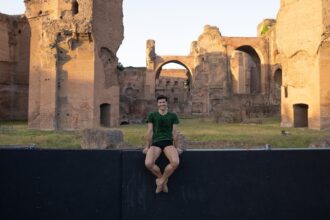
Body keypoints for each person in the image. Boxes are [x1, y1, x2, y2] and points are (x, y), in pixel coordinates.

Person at [143, 95, 182, 194]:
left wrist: (177, 147)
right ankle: (163, 180)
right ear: (157, 104)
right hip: (155, 143)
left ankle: (160, 181)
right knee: (148, 163)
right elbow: (149, 131)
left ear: (166, 103)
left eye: (163, 102)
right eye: (160, 102)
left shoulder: (173, 115)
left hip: (168, 142)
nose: (162, 104)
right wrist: (147, 146)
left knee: (175, 162)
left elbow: (175, 132)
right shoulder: (152, 115)